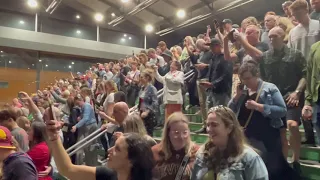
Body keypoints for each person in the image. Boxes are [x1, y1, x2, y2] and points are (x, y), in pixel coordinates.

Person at [228, 61, 298, 180]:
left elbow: (282, 110)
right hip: (247, 136)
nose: (245, 82)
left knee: (270, 168)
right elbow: (229, 111)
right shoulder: (243, 91)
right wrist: (236, 96)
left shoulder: (269, 88)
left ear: (256, 75)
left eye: (248, 78)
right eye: (243, 79)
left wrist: (258, 106)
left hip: (267, 136)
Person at [46, 116, 154, 180]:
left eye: (117, 149)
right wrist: (55, 138)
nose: (109, 150)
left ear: (132, 160)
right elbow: (68, 169)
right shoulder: (107, 174)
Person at [191, 106, 268, 180]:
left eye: (214, 125)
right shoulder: (202, 155)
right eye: (207, 125)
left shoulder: (249, 158)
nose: (209, 129)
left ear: (229, 128)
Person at [152, 112, 199, 180]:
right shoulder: (154, 152)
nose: (181, 137)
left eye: (185, 132)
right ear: (168, 133)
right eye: (176, 132)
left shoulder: (197, 153)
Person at [138, 71, 158, 136]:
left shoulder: (152, 88)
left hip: (149, 115)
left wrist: (147, 111)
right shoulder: (142, 88)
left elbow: (155, 102)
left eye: (142, 77)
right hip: (141, 113)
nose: (140, 79)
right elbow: (141, 101)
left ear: (147, 78)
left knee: (148, 134)